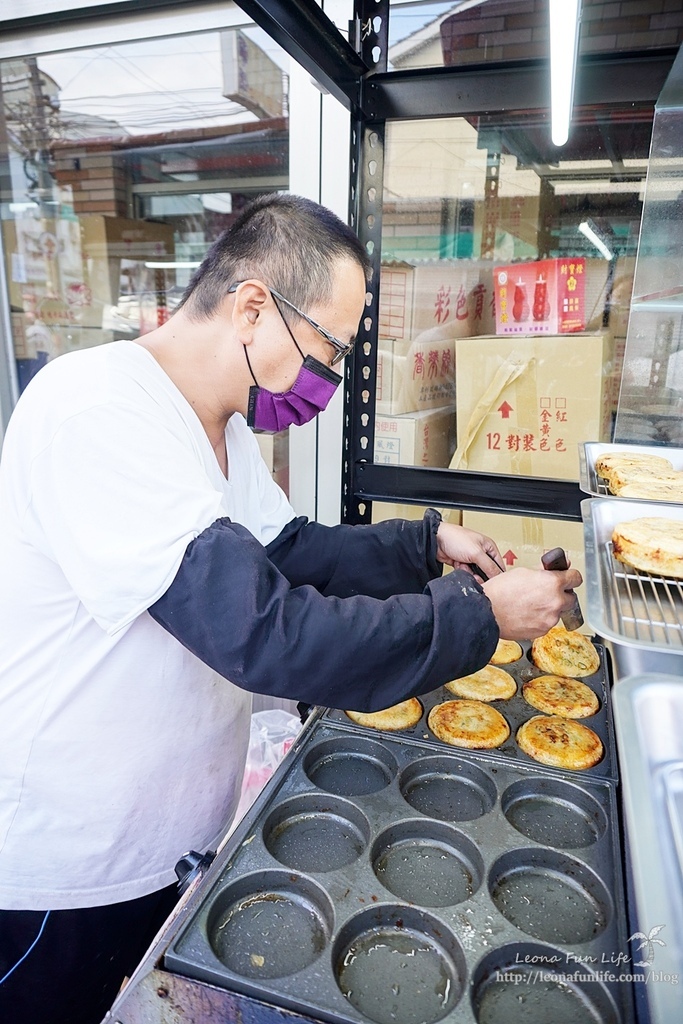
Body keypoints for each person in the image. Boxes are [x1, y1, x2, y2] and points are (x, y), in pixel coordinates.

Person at [0, 194, 581, 1024]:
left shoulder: (220, 425)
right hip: (73, 860)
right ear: (248, 307)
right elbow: (264, 631)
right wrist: (477, 616)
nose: (328, 382)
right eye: (326, 349)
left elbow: (290, 553)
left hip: (168, 842)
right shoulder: (99, 410)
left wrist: (425, 545)